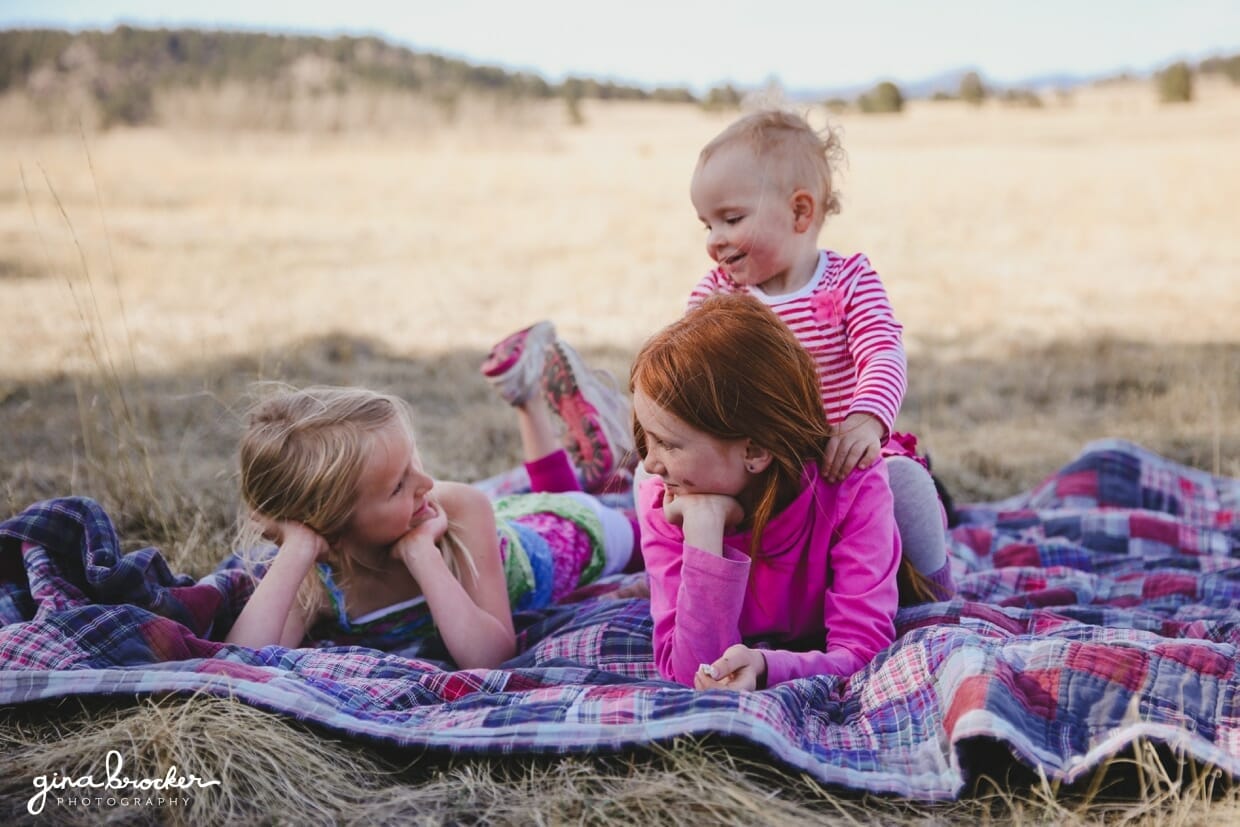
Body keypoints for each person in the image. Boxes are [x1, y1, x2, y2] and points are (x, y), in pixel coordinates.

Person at [686, 108, 954, 602]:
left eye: (731, 219)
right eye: (706, 224)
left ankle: (934, 593)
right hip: (759, 471)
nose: (713, 240)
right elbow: (690, 375)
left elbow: (882, 350)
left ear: (800, 212)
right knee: (683, 494)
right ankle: (698, 584)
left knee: (908, 484)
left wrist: (866, 421)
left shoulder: (849, 280)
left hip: (840, 463)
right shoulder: (717, 297)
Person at [226, 379, 635, 666]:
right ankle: (574, 447)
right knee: (560, 494)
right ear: (329, 528)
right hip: (509, 521)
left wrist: (424, 556)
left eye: (413, 462)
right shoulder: (316, 576)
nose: (426, 483)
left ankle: (588, 448)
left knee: (653, 529)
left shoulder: (458, 506)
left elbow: (493, 657)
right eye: (397, 485)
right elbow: (242, 663)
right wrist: (298, 548)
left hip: (561, 540)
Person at [633, 294, 901, 691]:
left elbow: (863, 653)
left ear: (755, 451)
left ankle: (937, 579)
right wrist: (704, 533)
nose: (652, 464)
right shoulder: (667, 501)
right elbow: (690, 672)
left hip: (887, 485)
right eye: (646, 439)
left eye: (668, 444)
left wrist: (766, 667)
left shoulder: (851, 491)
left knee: (908, 484)